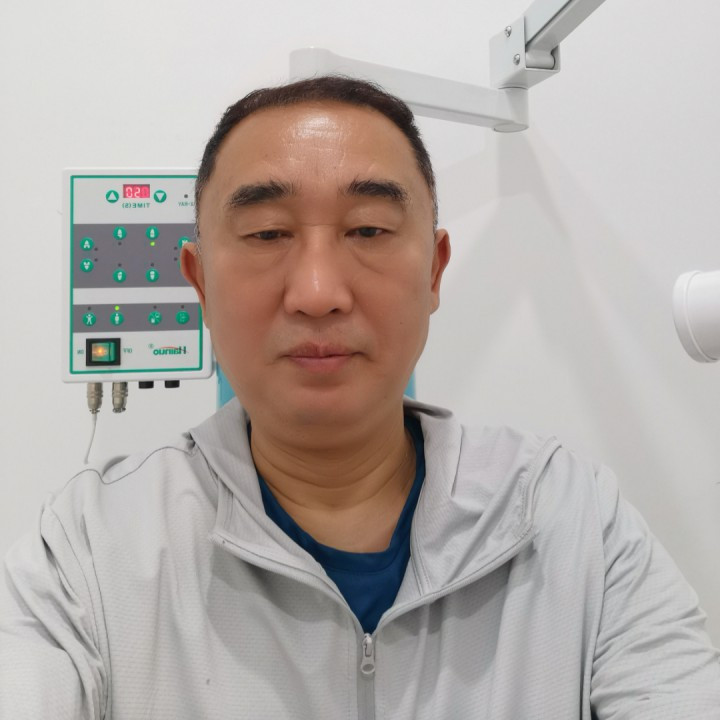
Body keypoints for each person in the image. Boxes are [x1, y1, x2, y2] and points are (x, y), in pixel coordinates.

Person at [1, 76, 719, 720]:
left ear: (434, 271)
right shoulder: (92, 551)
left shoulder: (570, 519)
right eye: (267, 233)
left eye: (369, 229)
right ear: (201, 285)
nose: (318, 293)